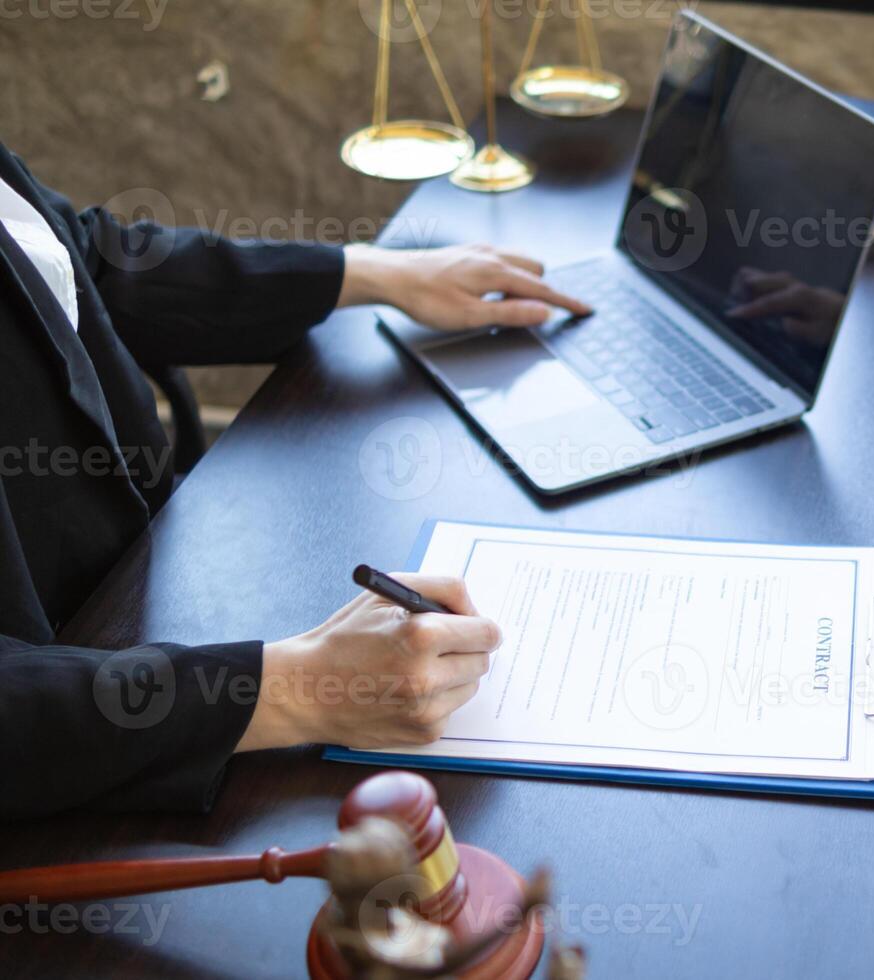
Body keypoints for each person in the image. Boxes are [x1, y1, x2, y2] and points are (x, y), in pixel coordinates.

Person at [0, 140, 591, 819]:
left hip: (139, 580)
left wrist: (371, 274)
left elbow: (83, 261)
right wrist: (296, 687)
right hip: (80, 750)